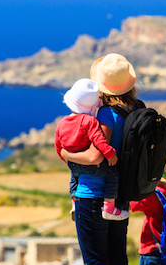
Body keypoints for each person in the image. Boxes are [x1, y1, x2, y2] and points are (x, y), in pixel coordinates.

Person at [60, 53, 142, 265]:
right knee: (119, 262)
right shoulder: (135, 110)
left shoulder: (106, 115)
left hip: (92, 197)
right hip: (119, 196)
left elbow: (96, 156)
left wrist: (67, 156)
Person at [54, 78, 129, 221]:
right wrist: (109, 153)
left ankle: (74, 202)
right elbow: (98, 139)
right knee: (112, 174)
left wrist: (64, 157)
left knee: (74, 179)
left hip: (73, 164)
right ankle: (109, 207)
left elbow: (58, 145)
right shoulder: (90, 121)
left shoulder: (62, 122)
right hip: (91, 166)